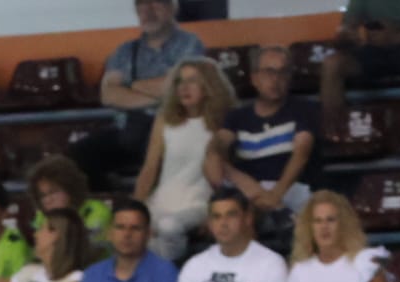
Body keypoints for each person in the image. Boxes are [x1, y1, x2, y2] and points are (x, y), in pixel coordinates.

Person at [79, 0, 208, 187]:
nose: (147, 11)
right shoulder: (125, 50)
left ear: (173, 7)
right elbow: (109, 94)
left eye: (155, 4)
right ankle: (112, 199)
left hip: (174, 129)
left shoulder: (191, 44)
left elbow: (180, 85)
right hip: (129, 131)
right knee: (78, 156)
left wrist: (133, 85)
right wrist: (157, 96)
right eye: (141, 5)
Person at [135, 58, 230, 263]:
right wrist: (137, 207)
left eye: (192, 81)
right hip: (161, 201)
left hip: (197, 204)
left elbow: (224, 174)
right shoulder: (165, 121)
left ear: (209, 86)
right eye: (179, 81)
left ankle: (165, 276)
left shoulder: (223, 122)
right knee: (134, 231)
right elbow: (150, 168)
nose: (184, 87)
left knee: (169, 226)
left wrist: (215, 211)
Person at [215, 44, 319, 230]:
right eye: (268, 72)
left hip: (292, 190)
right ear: (254, 78)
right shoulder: (237, 117)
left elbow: (301, 153)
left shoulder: (305, 109)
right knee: (213, 163)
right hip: (250, 192)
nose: (275, 79)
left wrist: (275, 196)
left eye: (282, 72)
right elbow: (216, 150)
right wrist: (245, 183)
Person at [322, 0, 400, 125]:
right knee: (332, 63)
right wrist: (347, 37)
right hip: (376, 51)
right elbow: (346, 30)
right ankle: (334, 132)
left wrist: (396, 38)